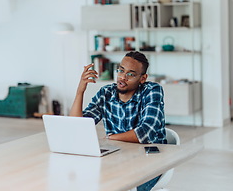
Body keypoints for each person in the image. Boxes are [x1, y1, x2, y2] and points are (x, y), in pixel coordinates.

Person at [70, 51, 166, 191]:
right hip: (118, 159)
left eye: (130, 74)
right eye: (121, 70)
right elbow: (77, 126)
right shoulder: (106, 93)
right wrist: (80, 91)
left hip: (150, 161)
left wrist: (110, 138)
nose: (122, 77)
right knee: (81, 179)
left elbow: (146, 133)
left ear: (142, 78)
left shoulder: (152, 90)